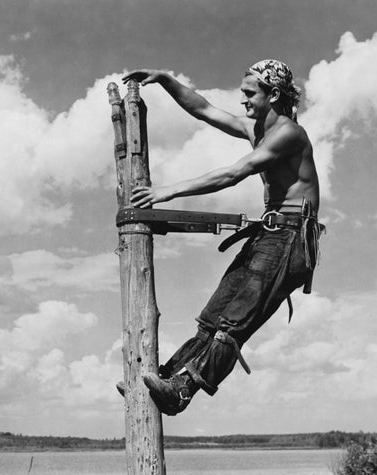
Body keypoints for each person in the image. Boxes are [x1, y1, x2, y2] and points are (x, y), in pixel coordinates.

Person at [120, 59, 323, 416]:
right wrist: (166, 79)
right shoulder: (255, 128)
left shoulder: (290, 133)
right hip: (269, 233)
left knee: (233, 323)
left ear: (273, 94)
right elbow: (203, 109)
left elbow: (236, 172)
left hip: (291, 238)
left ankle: (182, 391)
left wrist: (168, 192)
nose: (242, 100)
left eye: (249, 93)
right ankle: (163, 377)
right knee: (212, 317)